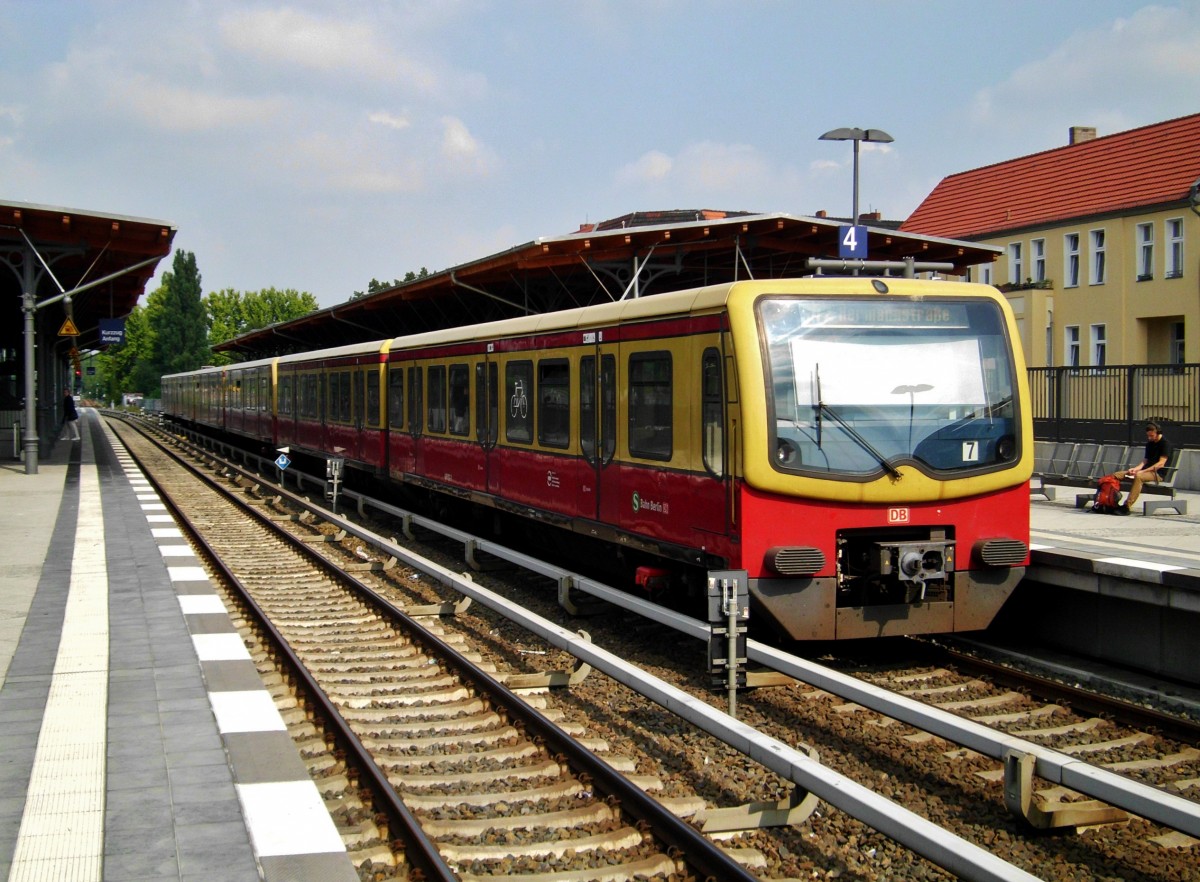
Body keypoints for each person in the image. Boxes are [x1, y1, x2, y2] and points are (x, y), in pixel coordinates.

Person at [1109, 421, 1170, 514]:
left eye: (1152, 436)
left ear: (1158, 433)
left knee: (1138, 477)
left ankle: (1127, 506)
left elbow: (1161, 464)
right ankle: (1110, 501)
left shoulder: (1165, 444)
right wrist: (1136, 469)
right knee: (1116, 475)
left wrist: (1142, 472)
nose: (1149, 438)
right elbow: (1145, 460)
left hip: (1157, 474)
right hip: (1145, 471)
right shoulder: (1149, 444)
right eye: (1148, 436)